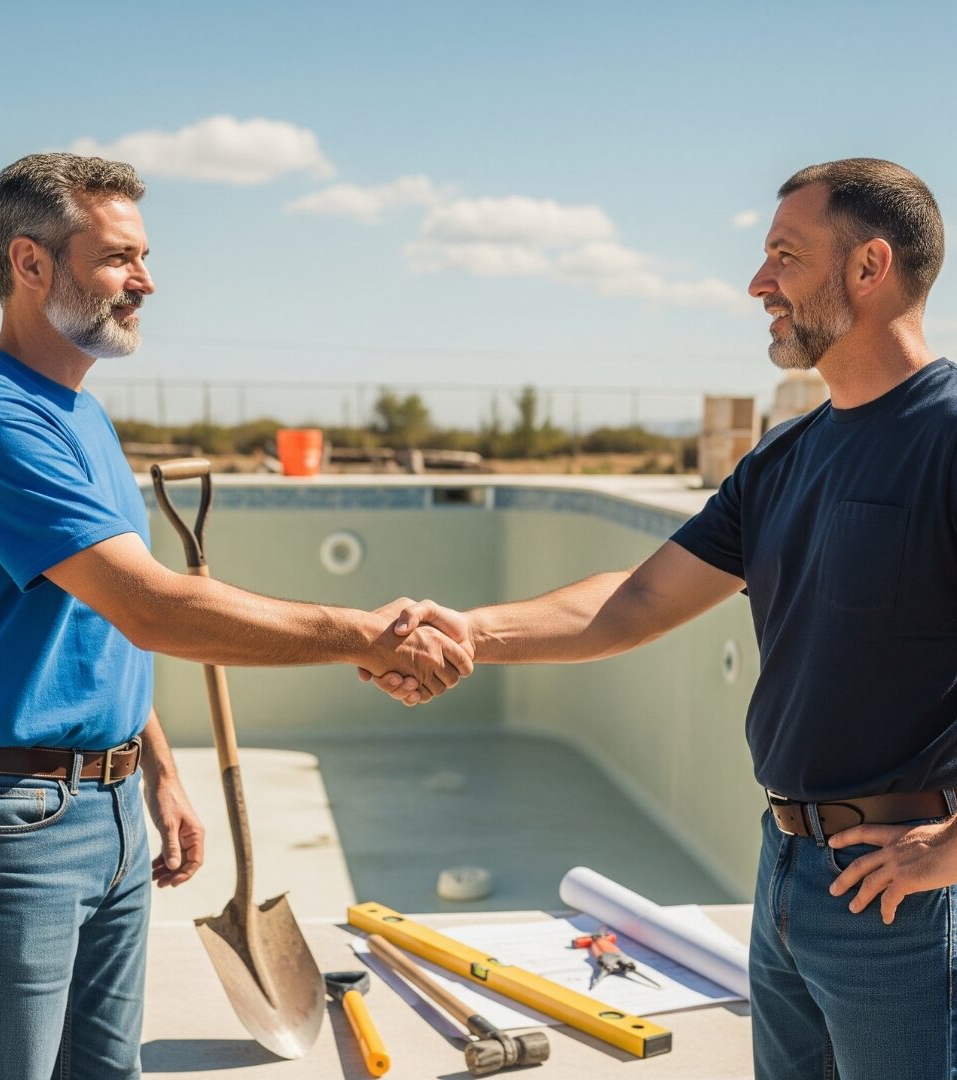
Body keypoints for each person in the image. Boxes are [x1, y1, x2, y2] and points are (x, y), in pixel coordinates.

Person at [369, 158, 957, 1079]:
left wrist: (954, 849)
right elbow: (636, 600)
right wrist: (472, 629)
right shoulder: (787, 458)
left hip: (907, 900)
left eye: (784, 257)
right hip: (791, 877)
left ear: (869, 267)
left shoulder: (948, 435)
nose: (759, 283)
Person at [0, 152, 473, 1080]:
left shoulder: (80, 414)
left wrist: (154, 770)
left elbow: (102, 621)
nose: (147, 281)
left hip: (107, 805)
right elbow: (155, 608)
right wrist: (367, 636)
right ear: (30, 263)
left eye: (145, 255)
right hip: (3, 822)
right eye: (121, 257)